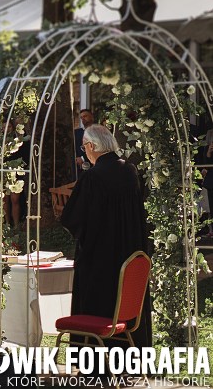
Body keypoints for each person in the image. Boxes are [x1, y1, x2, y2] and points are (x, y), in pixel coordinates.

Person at [61, 124, 151, 347]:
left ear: (91, 146)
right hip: (129, 252)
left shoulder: (93, 177)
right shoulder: (130, 171)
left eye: (84, 148)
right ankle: (128, 356)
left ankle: (96, 365)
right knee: (125, 307)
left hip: (99, 259)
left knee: (98, 308)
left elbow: (72, 218)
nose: (85, 153)